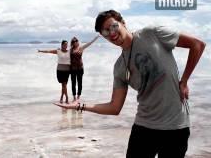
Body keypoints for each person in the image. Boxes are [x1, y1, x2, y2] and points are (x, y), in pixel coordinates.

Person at [55, 10, 206, 157]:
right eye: (106, 32)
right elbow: (115, 107)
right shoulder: (120, 66)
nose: (111, 33)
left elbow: (197, 45)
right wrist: (80, 106)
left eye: (113, 26)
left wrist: (184, 81)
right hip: (144, 128)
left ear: (123, 23)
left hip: (176, 127)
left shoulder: (151, 34)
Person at [70, 35, 100, 102]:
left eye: (76, 41)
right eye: (74, 41)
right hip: (72, 69)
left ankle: (78, 97)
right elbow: (64, 54)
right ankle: (74, 97)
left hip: (80, 68)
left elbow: (89, 43)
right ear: (72, 43)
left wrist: (96, 37)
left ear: (78, 42)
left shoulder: (81, 48)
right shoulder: (70, 50)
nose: (75, 42)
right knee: (73, 83)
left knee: (80, 83)